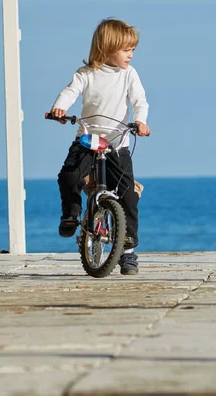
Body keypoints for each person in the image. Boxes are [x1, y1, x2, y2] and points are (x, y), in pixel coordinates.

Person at [49, 18, 150, 275]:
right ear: (107, 49)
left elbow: (139, 100)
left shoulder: (129, 74)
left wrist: (140, 121)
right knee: (69, 176)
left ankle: (127, 251)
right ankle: (71, 214)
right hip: (88, 139)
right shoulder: (86, 74)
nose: (131, 55)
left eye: (133, 50)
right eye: (126, 49)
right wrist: (60, 108)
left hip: (117, 143)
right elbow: (71, 91)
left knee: (128, 197)